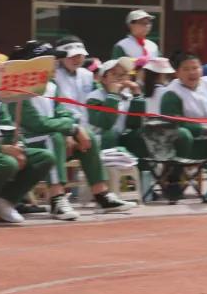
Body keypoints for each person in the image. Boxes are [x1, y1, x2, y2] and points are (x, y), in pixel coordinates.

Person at [9, 41, 136, 219]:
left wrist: (73, 130)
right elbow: (35, 123)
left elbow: (64, 113)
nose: (55, 63)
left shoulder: (52, 85)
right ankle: (57, 198)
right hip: (25, 140)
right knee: (54, 137)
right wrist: (71, 129)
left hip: (51, 135)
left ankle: (102, 195)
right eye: (51, 60)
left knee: (86, 135)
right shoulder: (17, 87)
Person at [0, 39, 56, 224]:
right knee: (5, 163)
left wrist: (19, 146)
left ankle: (3, 201)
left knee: (44, 157)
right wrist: (0, 148)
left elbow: (5, 123)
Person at [158, 53, 207, 161]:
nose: (192, 72)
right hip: (190, 141)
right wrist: (204, 130)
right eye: (186, 69)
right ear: (177, 73)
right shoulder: (171, 94)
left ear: (201, 69)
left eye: (195, 68)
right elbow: (175, 123)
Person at [86, 57, 147, 158]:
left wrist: (137, 95)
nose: (120, 78)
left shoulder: (127, 96)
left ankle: (141, 170)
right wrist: (113, 95)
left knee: (138, 134)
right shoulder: (94, 97)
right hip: (99, 139)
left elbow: (134, 124)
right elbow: (106, 123)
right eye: (114, 74)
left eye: (123, 74)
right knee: (110, 134)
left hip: (121, 137)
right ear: (104, 79)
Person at [52, 36, 95, 125]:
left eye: (79, 55)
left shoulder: (87, 75)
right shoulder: (54, 76)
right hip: (66, 127)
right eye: (71, 56)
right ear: (60, 58)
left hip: (88, 126)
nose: (76, 59)